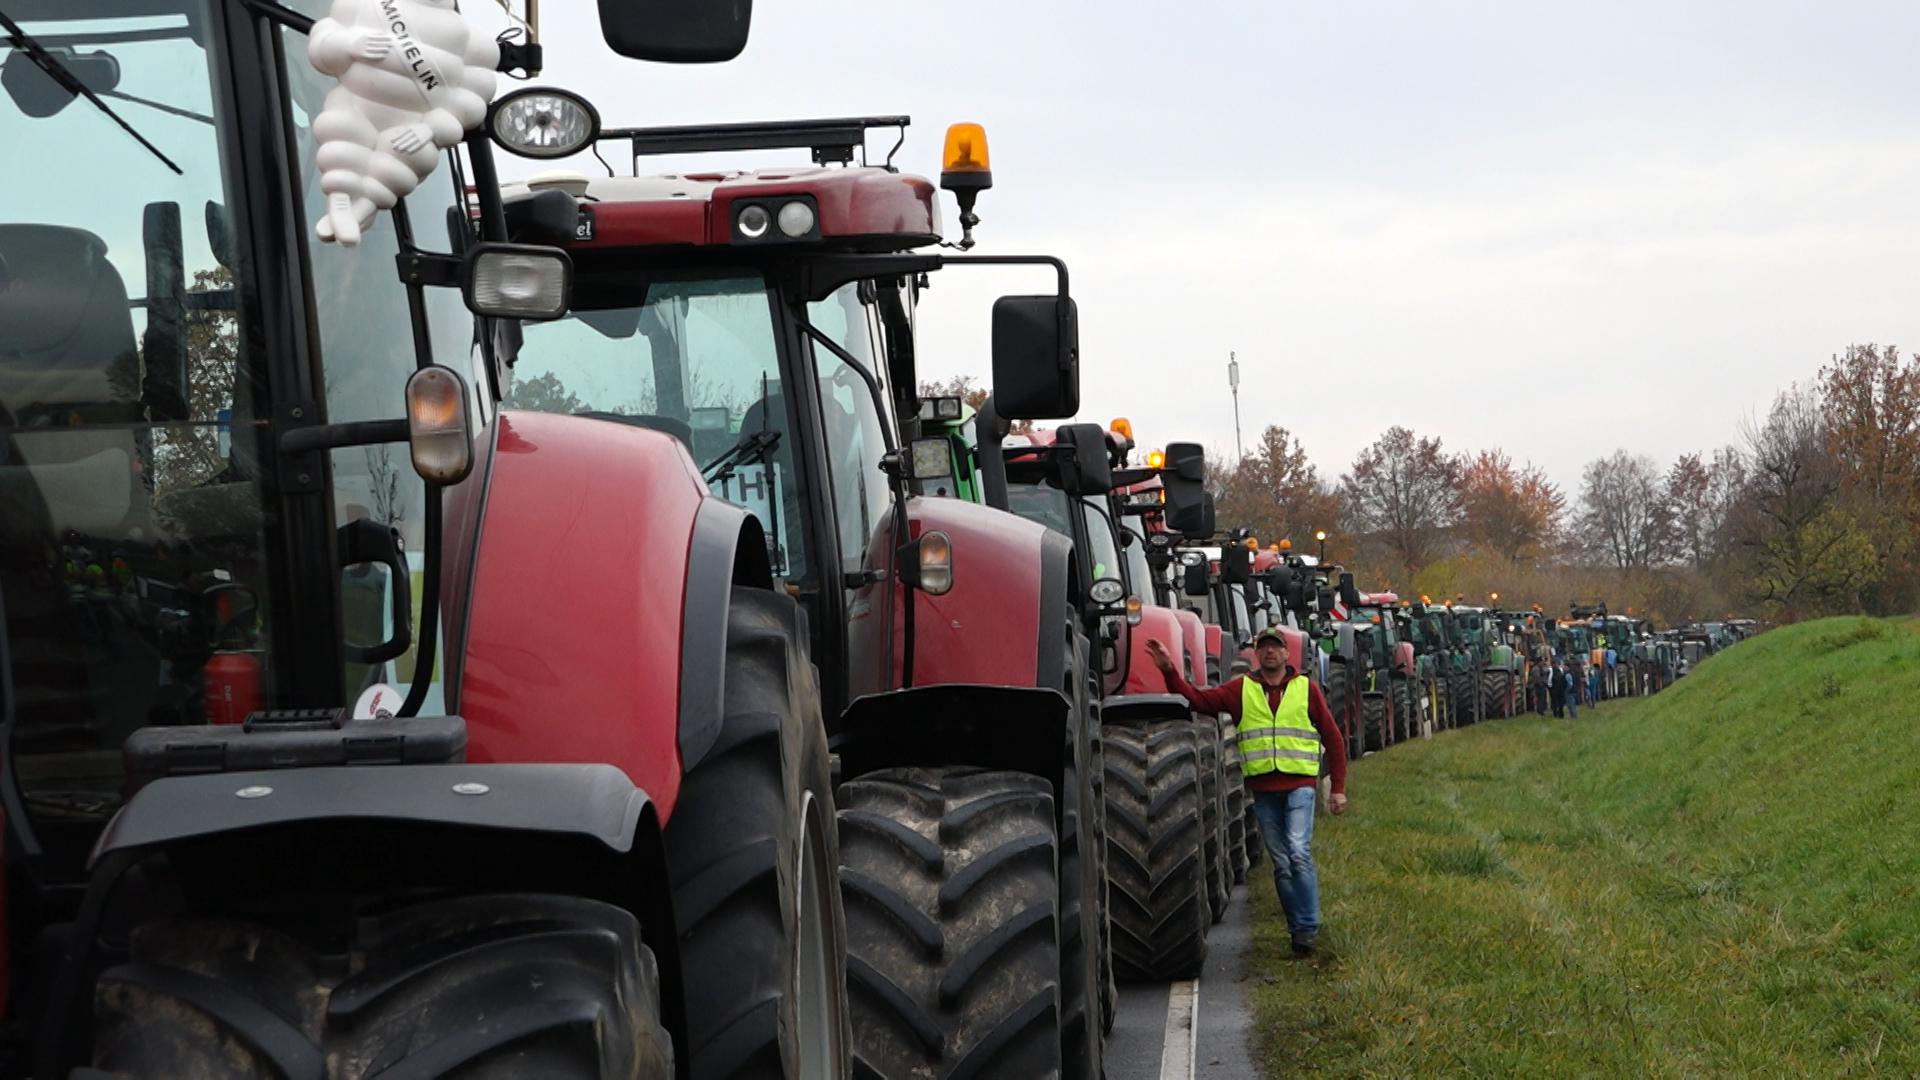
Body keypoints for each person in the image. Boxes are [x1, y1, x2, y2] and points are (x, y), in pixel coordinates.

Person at [1145, 628, 1347, 957]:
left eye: (1276, 648)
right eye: (1263, 648)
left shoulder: (1305, 689)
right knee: (1281, 862)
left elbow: (1333, 738)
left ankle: (1309, 926)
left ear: (1286, 654)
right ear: (1256, 654)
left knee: (1298, 851)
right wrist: (1169, 670)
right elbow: (1199, 700)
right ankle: (1297, 930)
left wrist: (1337, 789)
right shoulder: (1242, 690)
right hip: (1264, 790)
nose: (1270, 652)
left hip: (1300, 786)